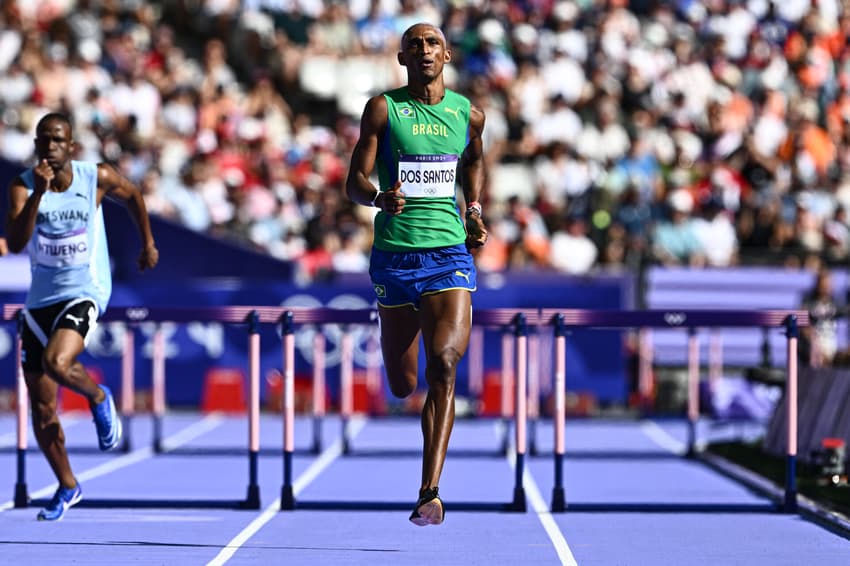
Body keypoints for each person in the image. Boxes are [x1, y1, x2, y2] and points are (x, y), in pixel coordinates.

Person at [345, 22, 487, 526]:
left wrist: (472, 209)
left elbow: (472, 161)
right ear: (403, 59)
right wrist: (378, 196)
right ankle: (394, 338)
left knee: (444, 365)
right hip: (395, 258)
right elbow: (354, 183)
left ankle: (430, 490)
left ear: (446, 54)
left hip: (448, 255)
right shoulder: (384, 109)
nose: (424, 50)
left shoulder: (469, 114)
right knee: (404, 384)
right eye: (414, 45)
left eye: (431, 43)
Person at [4, 112, 159, 521]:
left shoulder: (96, 177)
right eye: (44, 140)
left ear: (71, 146)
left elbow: (135, 196)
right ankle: (68, 485)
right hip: (39, 303)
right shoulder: (22, 186)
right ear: (36, 146)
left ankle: (98, 397)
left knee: (58, 362)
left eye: (58, 140)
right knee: (42, 410)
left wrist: (147, 243)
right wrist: (38, 194)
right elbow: (18, 244)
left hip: (84, 290)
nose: (50, 147)